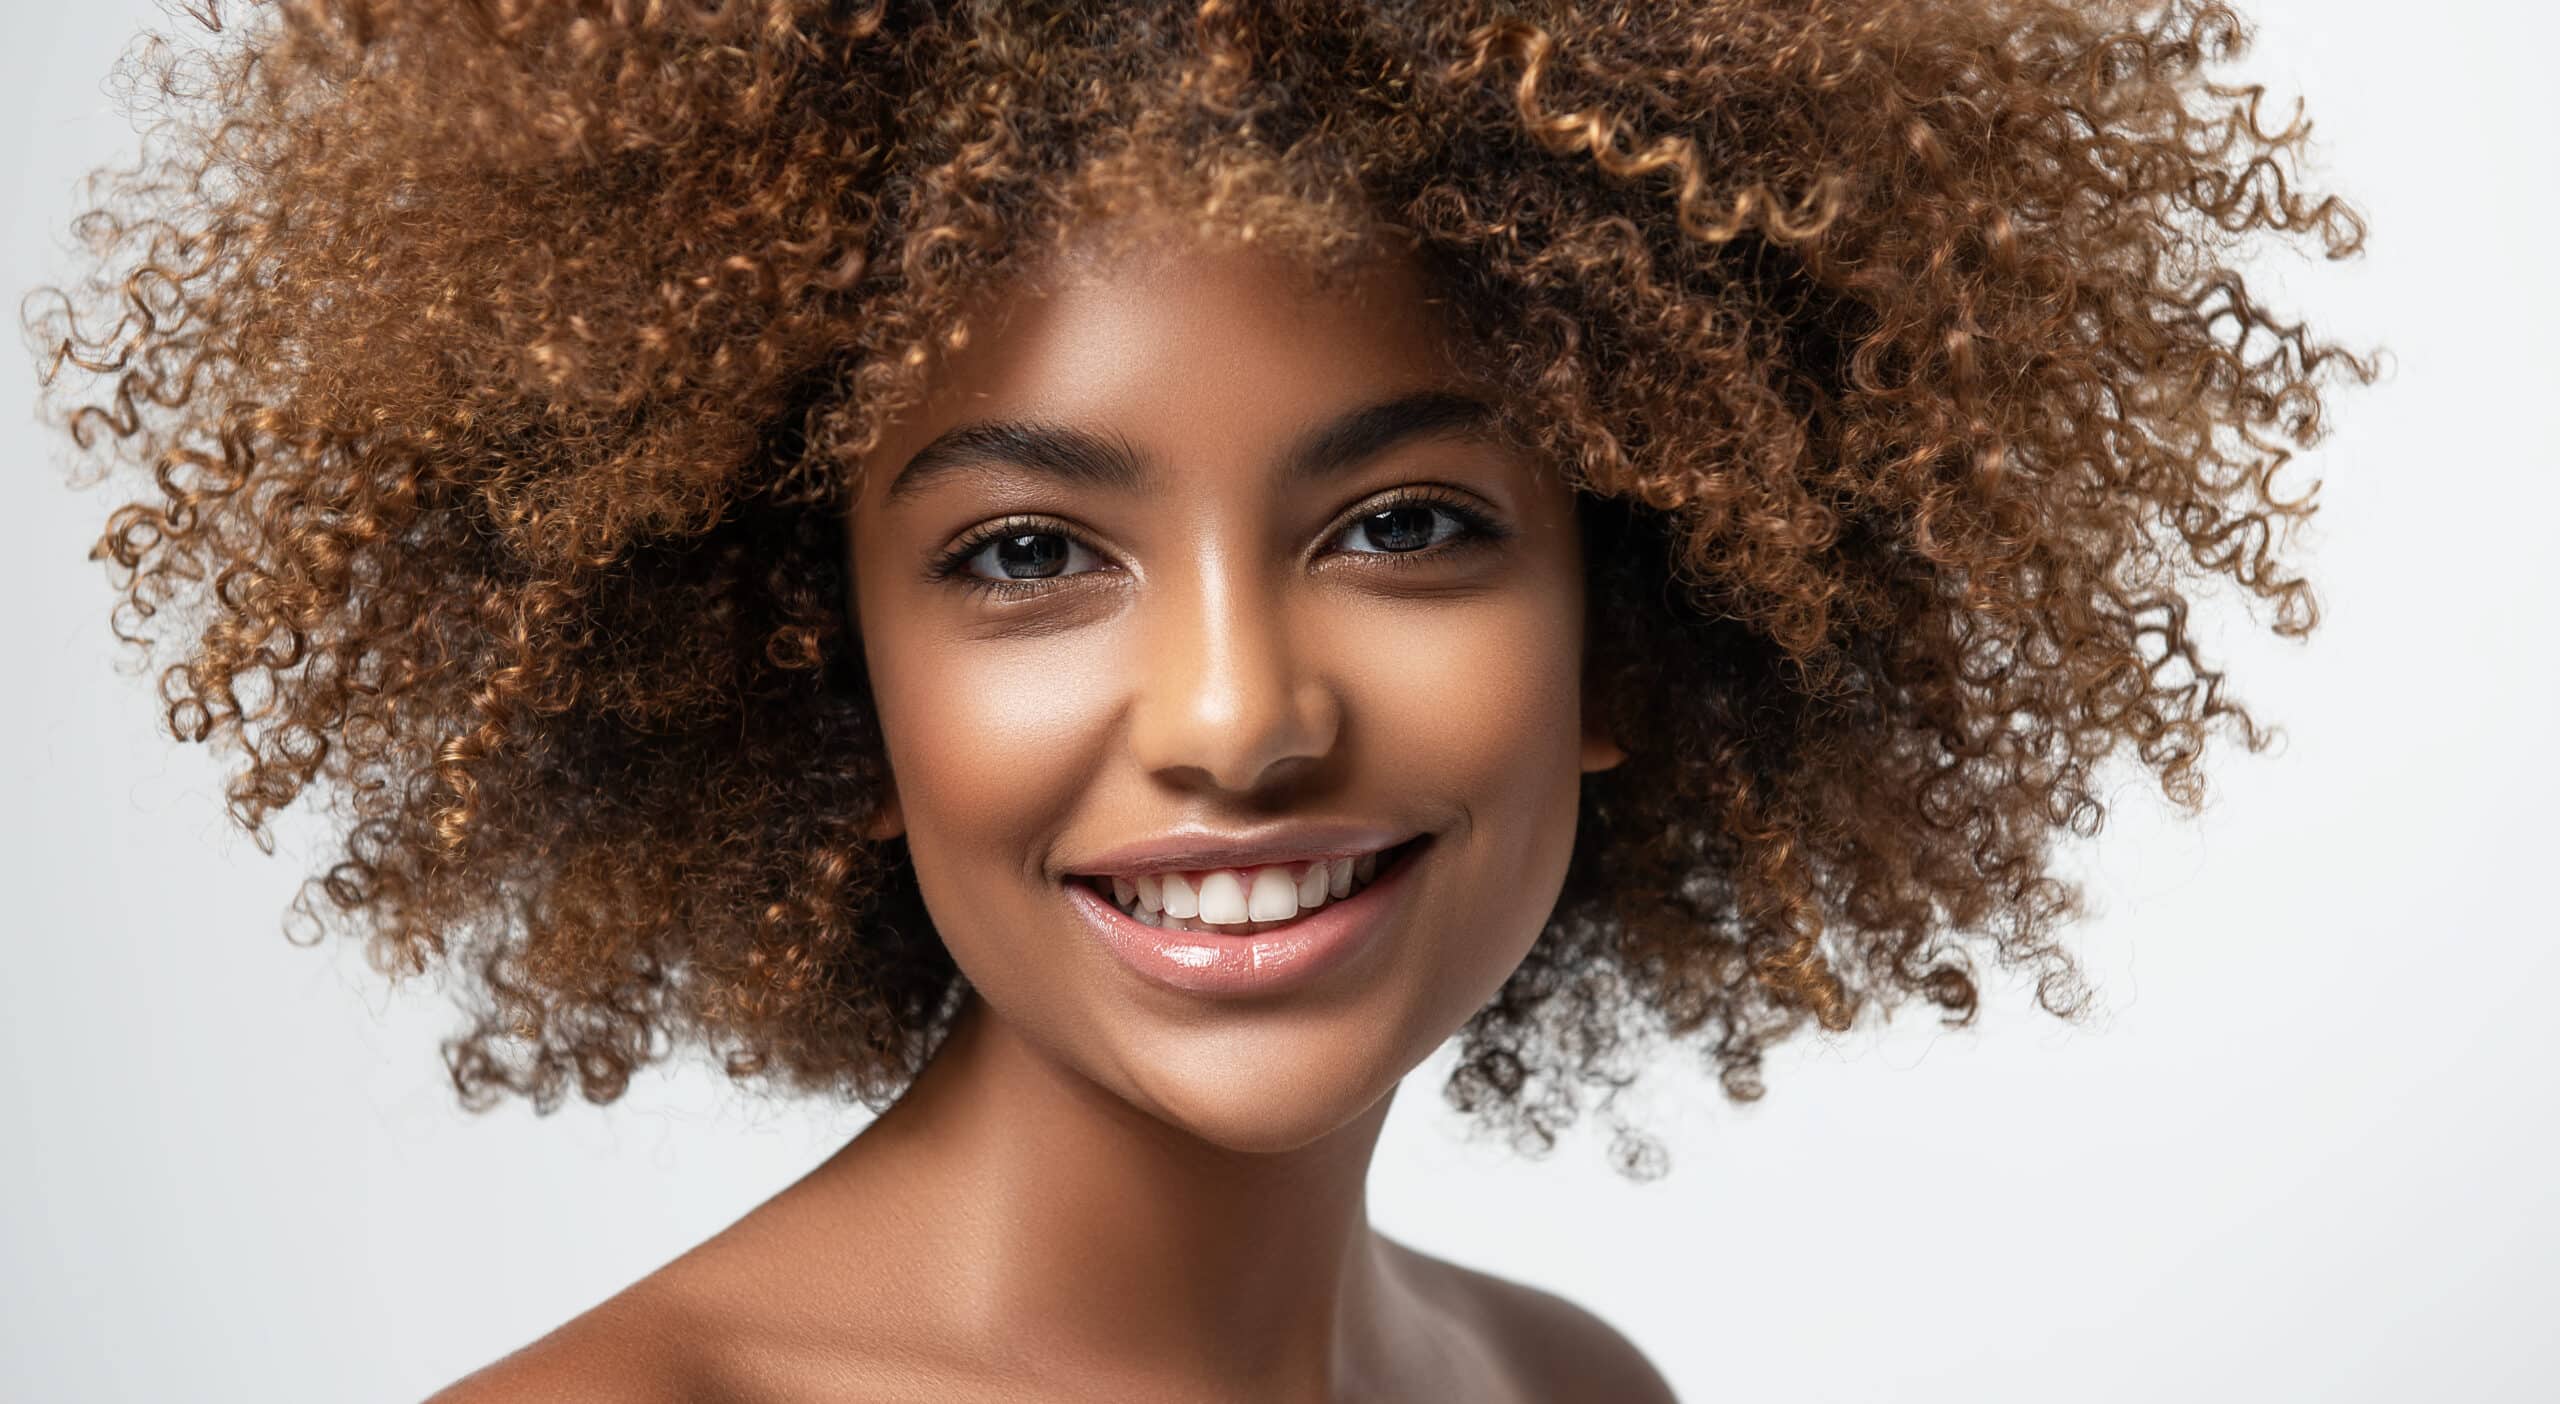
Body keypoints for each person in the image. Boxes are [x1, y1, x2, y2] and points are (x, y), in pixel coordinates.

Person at [24, 1, 2373, 1398]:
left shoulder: (1560, 1389)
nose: (1239, 718)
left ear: (1628, 630)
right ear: (824, 681)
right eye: (1027, 557)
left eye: (1406, 527)